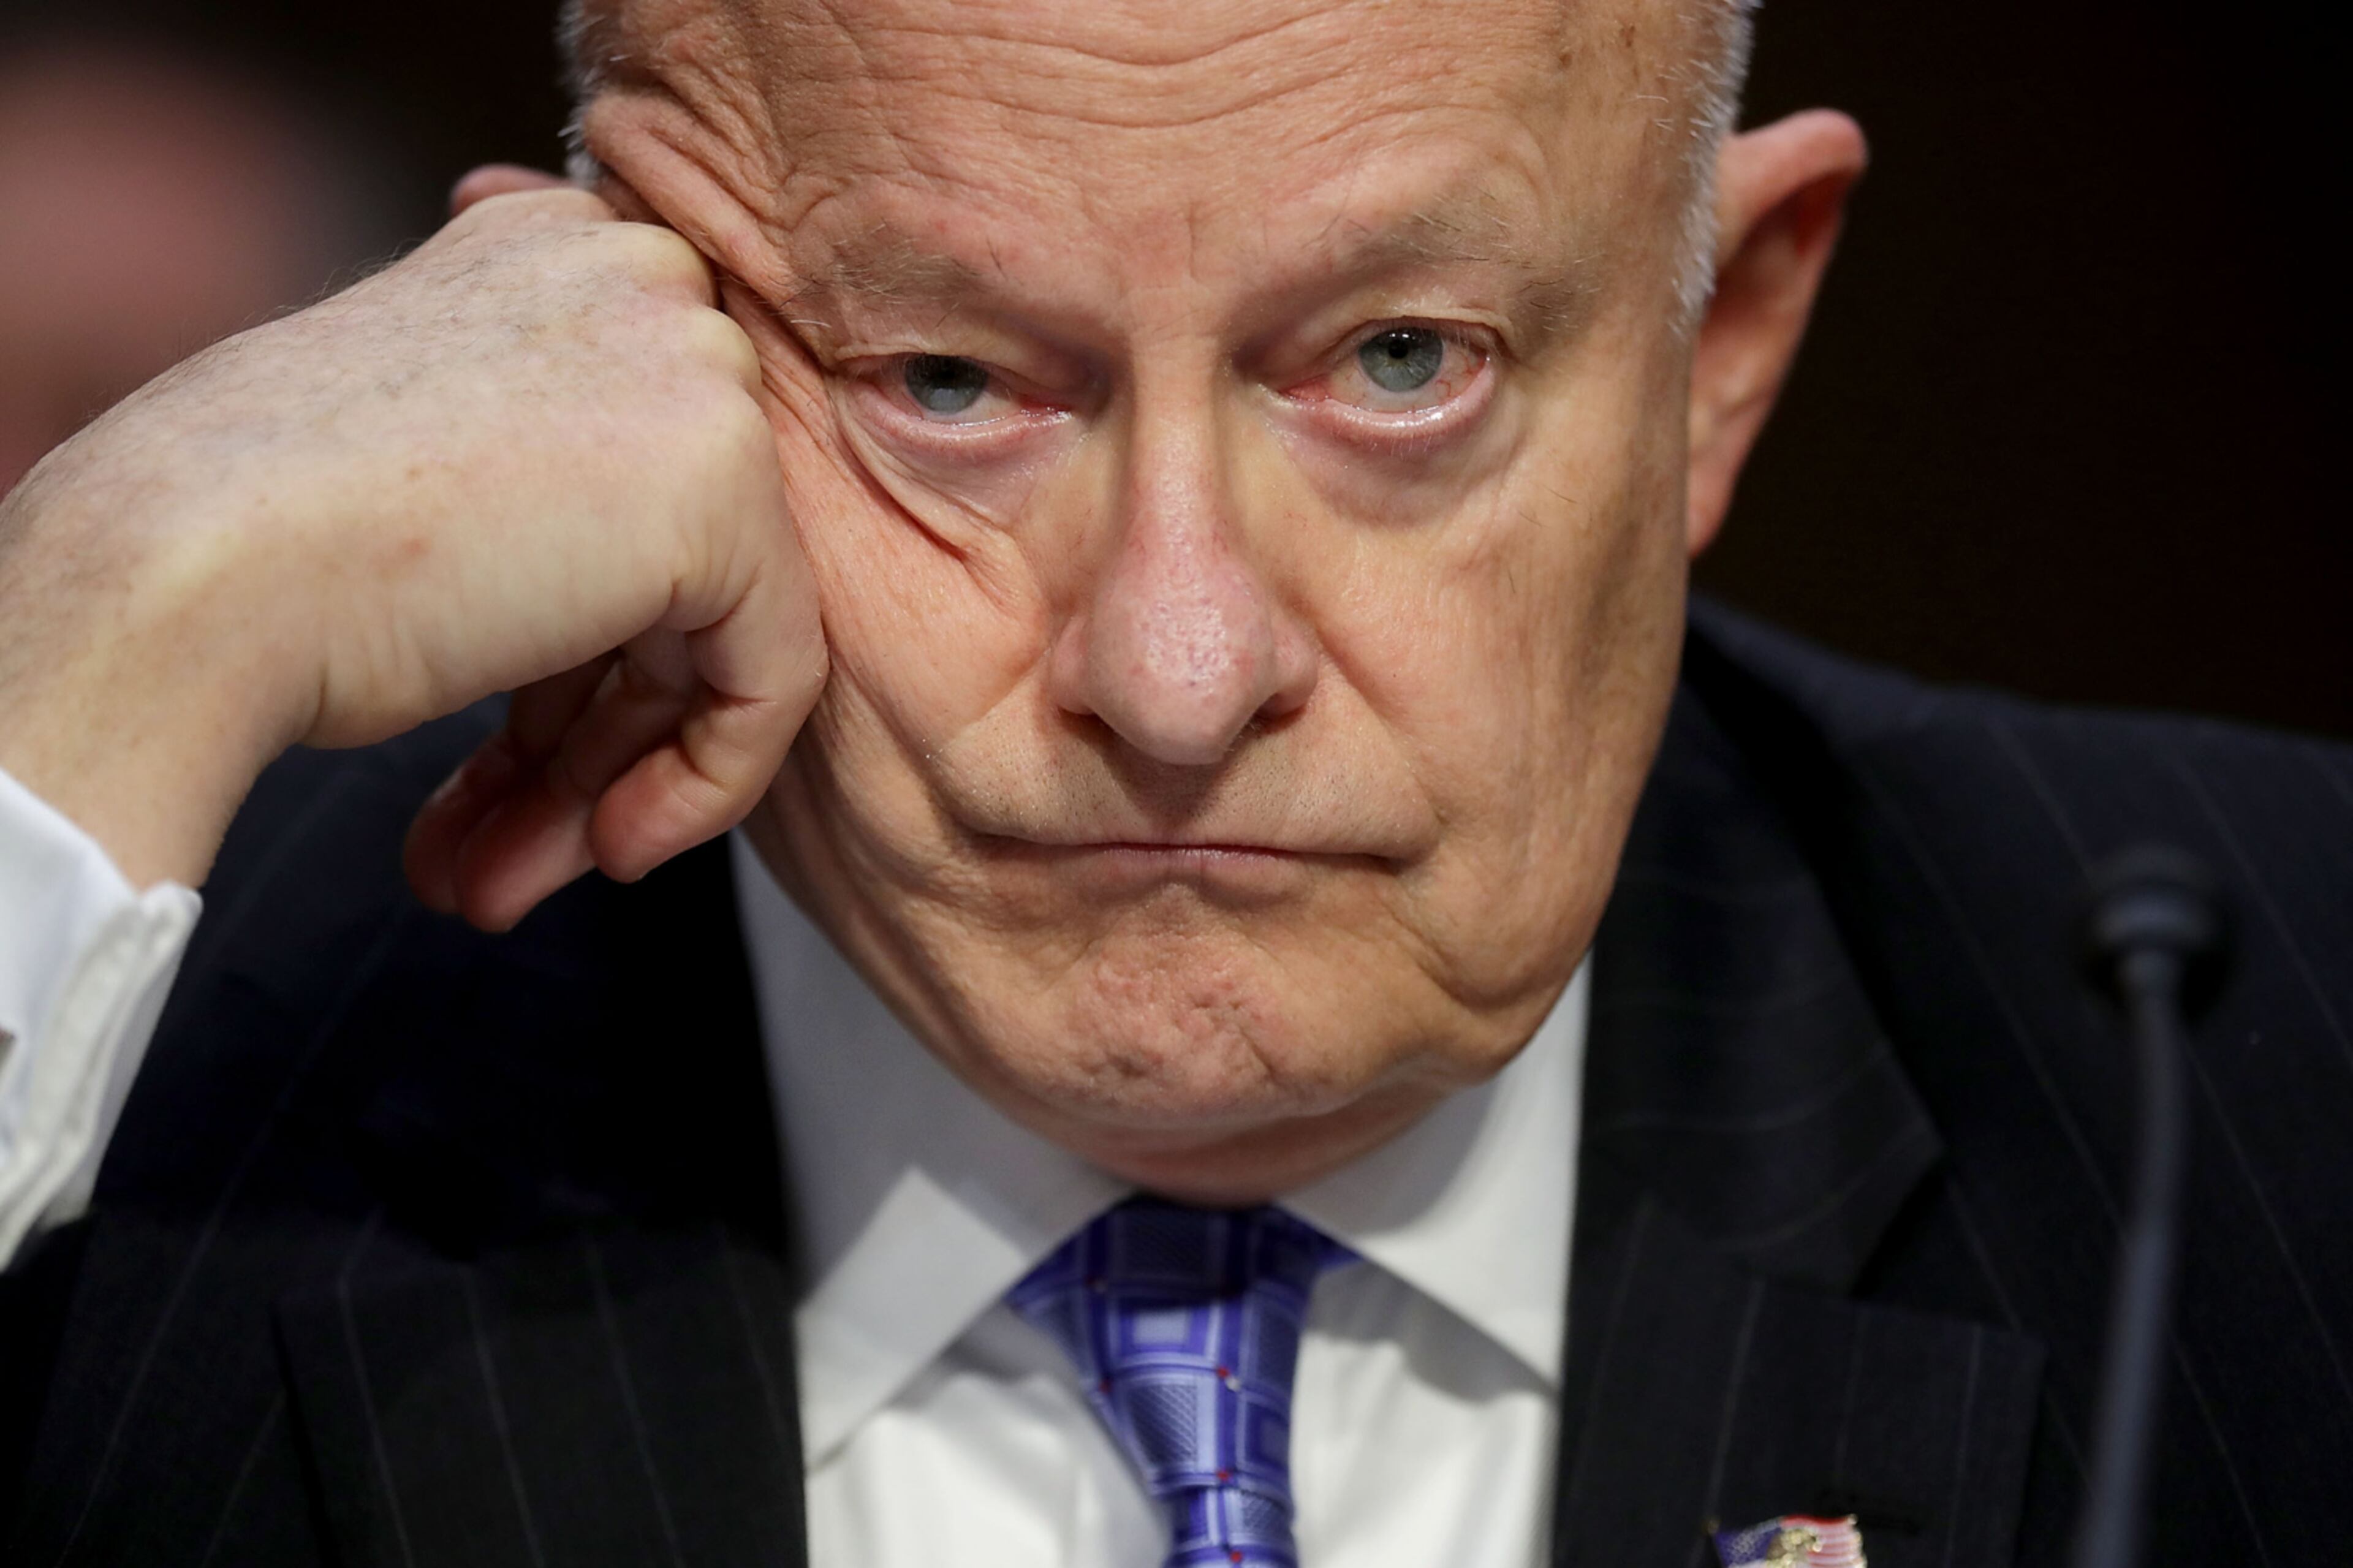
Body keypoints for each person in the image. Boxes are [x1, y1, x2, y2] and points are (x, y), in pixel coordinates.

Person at [0, 1, 2344, 1564]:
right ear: (606, 336)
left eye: (1401, 363)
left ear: (1721, 341)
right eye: (942, 378)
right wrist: (101, 618)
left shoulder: (2272, 1068)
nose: (1181, 670)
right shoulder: (139, 1090)